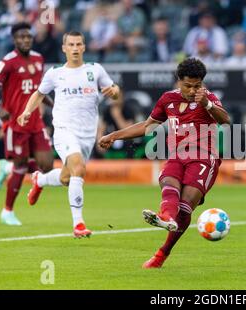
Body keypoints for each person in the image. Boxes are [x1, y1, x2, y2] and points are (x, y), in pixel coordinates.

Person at [98, 58, 230, 268]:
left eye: (197, 86)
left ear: (202, 83)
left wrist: (207, 103)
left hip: (204, 158)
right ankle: (166, 217)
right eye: (187, 85)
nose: (192, 90)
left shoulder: (209, 98)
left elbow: (225, 120)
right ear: (179, 81)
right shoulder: (168, 99)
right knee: (168, 183)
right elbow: (148, 126)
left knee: (185, 208)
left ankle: (162, 254)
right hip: (177, 156)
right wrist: (114, 135)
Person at [17, 31, 120, 238]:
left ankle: (40, 180)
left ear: (84, 47)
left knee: (67, 177)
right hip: (64, 130)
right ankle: (78, 224)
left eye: (78, 44)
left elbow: (114, 91)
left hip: (87, 135)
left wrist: (114, 91)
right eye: (70, 44)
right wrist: (27, 112)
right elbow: (39, 94)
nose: (74, 48)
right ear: (64, 48)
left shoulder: (95, 70)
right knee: (78, 169)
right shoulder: (55, 73)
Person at [0, 22, 54, 226]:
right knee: (22, 165)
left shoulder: (38, 59)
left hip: (35, 121)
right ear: (14, 40)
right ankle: (7, 211)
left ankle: (7, 167)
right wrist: (0, 110)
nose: (25, 40)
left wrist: (55, 106)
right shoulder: (7, 62)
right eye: (21, 37)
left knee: (47, 166)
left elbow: (39, 90)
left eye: (28, 37)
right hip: (15, 123)